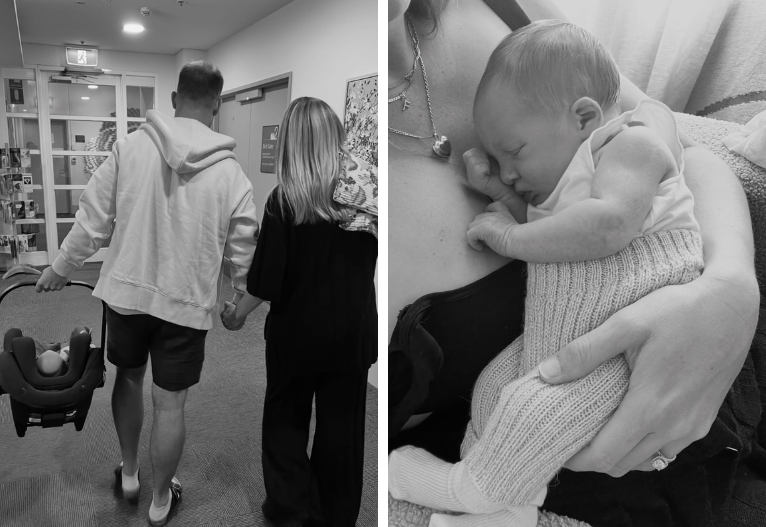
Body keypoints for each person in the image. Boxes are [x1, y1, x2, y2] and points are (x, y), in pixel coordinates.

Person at [388, 1, 760, 526]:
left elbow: (609, 223)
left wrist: (732, 284)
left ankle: (472, 491)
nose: (508, 171)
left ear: (583, 117)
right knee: (494, 391)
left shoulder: (622, 144)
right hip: (552, 340)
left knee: (533, 412)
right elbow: (554, 227)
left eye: (513, 152)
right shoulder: (560, 168)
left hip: (626, 346)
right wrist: (502, 194)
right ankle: (510, 502)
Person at [35, 61, 259, 527]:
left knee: (130, 379)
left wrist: (61, 267)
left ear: (175, 99)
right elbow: (244, 246)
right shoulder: (232, 173)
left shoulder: (130, 147)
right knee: (170, 402)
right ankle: (160, 502)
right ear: (217, 103)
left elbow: (93, 219)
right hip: (186, 303)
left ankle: (131, 473)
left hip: (128, 296)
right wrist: (239, 300)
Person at [221, 97, 377, 527]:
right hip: (352, 333)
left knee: (285, 419)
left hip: (297, 334)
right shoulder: (367, 197)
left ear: (291, 142)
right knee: (342, 427)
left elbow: (266, 280)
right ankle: (335, 514)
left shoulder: (284, 201)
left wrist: (237, 313)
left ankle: (291, 509)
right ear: (335, 138)